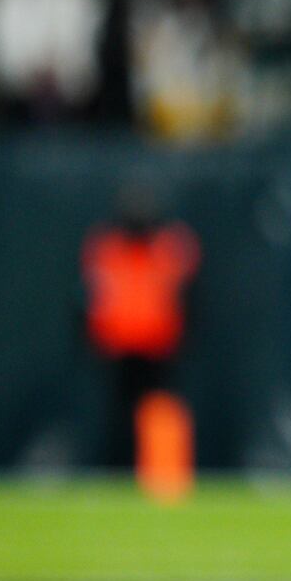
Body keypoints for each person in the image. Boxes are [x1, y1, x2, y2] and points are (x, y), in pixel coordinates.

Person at [81, 186, 200, 470]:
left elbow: (186, 296)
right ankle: (117, 471)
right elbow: (94, 297)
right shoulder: (107, 248)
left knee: (160, 412)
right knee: (119, 417)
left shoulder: (170, 248)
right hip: (119, 347)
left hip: (160, 347)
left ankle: (163, 472)